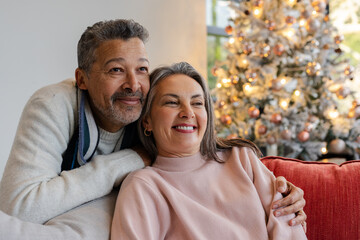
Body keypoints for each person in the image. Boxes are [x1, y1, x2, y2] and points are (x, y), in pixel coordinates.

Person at [0, 19, 304, 237]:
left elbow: (193, 143)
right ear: (82, 79)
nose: (133, 85)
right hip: (78, 206)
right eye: (116, 70)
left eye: (142, 69)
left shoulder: (238, 159)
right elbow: (20, 208)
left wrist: (277, 186)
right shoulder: (54, 105)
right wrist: (129, 160)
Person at [111, 62, 307, 239]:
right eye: (172, 102)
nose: (188, 113)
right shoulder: (142, 187)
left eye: (197, 103)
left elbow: (290, 227)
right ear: (147, 121)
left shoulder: (241, 159)